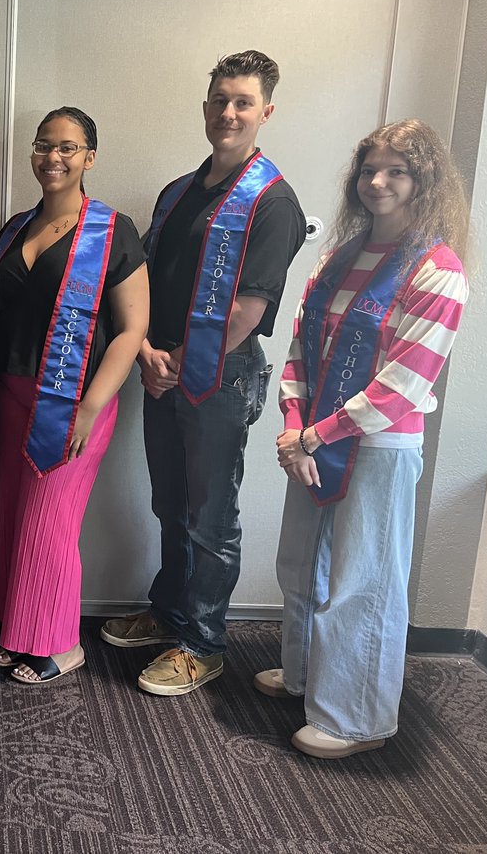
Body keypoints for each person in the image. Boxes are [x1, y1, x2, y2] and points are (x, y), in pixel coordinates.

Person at [257, 119, 469, 758]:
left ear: (422, 180)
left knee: (363, 581)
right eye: (368, 169)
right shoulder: (339, 256)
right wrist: (294, 425)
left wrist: (315, 435)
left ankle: (356, 717)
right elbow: (301, 347)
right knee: (301, 562)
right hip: (314, 440)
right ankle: (306, 675)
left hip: (375, 449)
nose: (376, 182)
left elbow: (402, 383)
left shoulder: (437, 269)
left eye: (395, 171)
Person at [101, 51, 308, 696]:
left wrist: (178, 362)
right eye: (220, 99)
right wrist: (146, 354)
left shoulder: (274, 204)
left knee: (210, 515)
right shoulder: (177, 192)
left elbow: (246, 310)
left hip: (220, 378)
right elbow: (146, 282)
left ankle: (204, 642)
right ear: (205, 106)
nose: (229, 112)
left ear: (265, 112)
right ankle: (171, 612)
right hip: (160, 366)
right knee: (170, 502)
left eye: (243, 102)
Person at [0, 109, 149, 685]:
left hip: (78, 398)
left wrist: (89, 407)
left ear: (89, 157)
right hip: (9, 392)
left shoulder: (113, 230)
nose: (52, 157)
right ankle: (18, 629)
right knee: (13, 512)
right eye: (43, 145)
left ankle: (61, 643)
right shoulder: (13, 229)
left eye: (68, 147)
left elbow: (131, 329)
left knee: (50, 519)